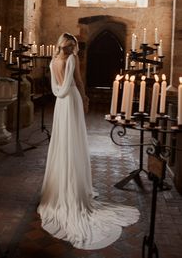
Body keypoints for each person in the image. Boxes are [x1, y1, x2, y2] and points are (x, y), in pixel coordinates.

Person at [37, 32, 139, 249]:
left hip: (60, 103)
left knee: (63, 140)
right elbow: (79, 81)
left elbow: (56, 85)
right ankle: (74, 187)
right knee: (74, 139)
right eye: (73, 45)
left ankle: (60, 185)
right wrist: (84, 98)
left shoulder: (53, 60)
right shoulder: (71, 59)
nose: (74, 49)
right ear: (69, 45)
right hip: (71, 99)